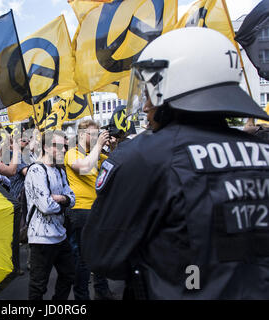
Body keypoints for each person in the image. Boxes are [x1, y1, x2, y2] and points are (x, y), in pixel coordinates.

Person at [81, 27, 269, 299]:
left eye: (150, 92)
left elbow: (102, 255)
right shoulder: (262, 151)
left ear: (178, 85)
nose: (145, 106)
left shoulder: (143, 156)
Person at [64, 120, 117, 300]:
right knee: (83, 259)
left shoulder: (97, 154)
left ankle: (102, 291)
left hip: (97, 210)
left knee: (100, 253)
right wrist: (99, 145)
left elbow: (118, 164)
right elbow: (85, 167)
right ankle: (81, 297)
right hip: (80, 211)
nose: (96, 138)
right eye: (92, 135)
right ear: (81, 135)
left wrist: (114, 146)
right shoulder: (72, 153)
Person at [24, 130, 76, 300]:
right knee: (39, 286)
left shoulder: (60, 172)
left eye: (64, 146)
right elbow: (46, 206)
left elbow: (73, 198)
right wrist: (64, 203)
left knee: (69, 275)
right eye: (56, 146)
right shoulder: (36, 171)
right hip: (41, 239)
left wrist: (61, 198)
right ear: (45, 147)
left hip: (60, 235)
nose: (61, 150)